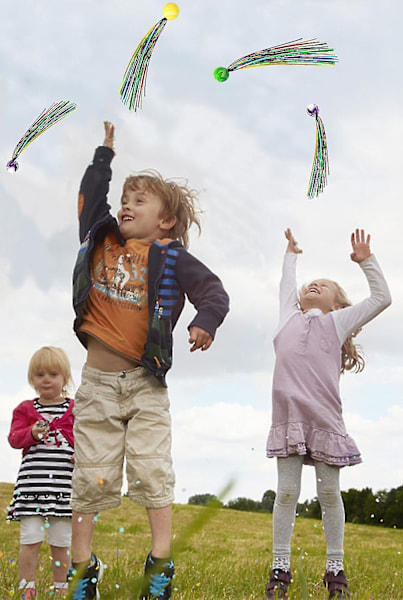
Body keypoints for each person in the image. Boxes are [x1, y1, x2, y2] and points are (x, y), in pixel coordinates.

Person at [68, 122, 230, 600]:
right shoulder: (100, 238)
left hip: (145, 384)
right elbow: (90, 196)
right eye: (125, 198)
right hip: (96, 384)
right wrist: (104, 156)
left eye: (139, 201)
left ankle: (160, 565)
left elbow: (214, 292)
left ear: (165, 221)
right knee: (91, 476)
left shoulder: (171, 256)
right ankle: (82, 569)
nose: (126, 206)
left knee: (152, 471)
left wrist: (206, 322)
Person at [265, 228, 391, 599]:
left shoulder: (337, 322)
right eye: (310, 284)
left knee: (328, 493)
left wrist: (365, 261)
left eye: (323, 284)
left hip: (324, 422)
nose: (313, 285)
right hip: (288, 419)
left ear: (339, 305)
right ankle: (279, 567)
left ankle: (335, 568)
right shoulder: (286, 317)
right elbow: (286, 285)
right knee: (286, 493)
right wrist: (291, 255)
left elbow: (383, 298)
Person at [8, 346, 75, 599]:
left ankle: (61, 589)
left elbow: (86, 440)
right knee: (30, 540)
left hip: (63, 489)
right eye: (40, 375)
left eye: (53, 374)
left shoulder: (74, 409)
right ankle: (26, 589)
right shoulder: (25, 409)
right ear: (32, 379)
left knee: (61, 542)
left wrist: (81, 454)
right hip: (32, 488)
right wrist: (31, 434)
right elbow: (14, 439)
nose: (46, 379)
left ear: (65, 378)